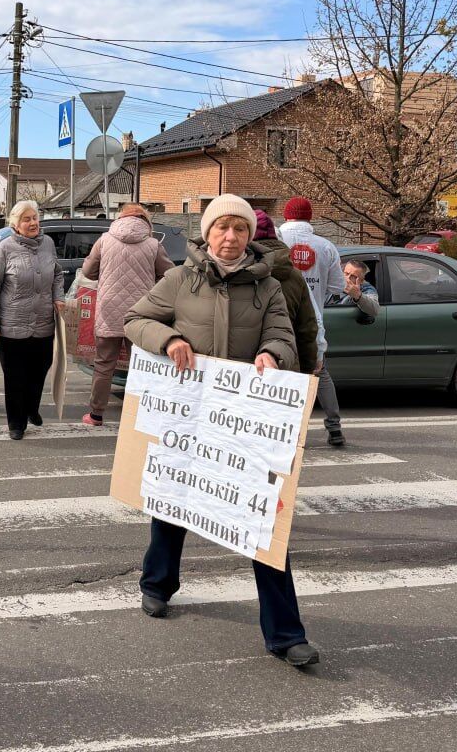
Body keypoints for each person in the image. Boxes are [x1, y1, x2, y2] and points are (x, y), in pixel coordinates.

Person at [125, 193, 319, 667]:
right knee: (174, 501)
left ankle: (285, 634)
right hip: (189, 414)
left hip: (245, 418)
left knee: (264, 521)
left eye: (239, 229)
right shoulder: (179, 279)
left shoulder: (269, 286)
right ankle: (158, 583)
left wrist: (273, 355)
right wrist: (169, 339)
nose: (230, 238)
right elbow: (135, 320)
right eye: (221, 229)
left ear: (250, 236)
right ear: (207, 233)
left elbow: (284, 336)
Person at [79, 203, 172, 426]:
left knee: (104, 364)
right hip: (141, 314)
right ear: (145, 221)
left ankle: (96, 414)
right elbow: (169, 275)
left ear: (120, 219)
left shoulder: (104, 240)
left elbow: (87, 272)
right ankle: (142, 414)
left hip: (108, 310)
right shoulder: (153, 245)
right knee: (141, 365)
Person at [0, 200, 64, 440]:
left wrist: (58, 297)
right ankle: (16, 423)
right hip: (11, 325)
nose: (32, 223)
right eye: (26, 219)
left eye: (35, 218)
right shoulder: (4, 248)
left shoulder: (48, 244)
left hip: (43, 323)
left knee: (40, 370)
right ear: (15, 225)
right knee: (15, 376)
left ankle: (31, 407)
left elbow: (58, 273)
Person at [277, 196, 348, 447]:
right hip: (312, 320)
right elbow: (338, 287)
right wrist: (314, 288)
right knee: (320, 373)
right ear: (310, 218)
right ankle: (334, 428)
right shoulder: (325, 246)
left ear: (286, 216)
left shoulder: (276, 241)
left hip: (279, 318)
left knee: (284, 377)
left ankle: (291, 433)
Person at [251, 209, 320, 374]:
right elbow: (307, 329)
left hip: (240, 370)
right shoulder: (294, 276)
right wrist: (308, 366)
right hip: (285, 368)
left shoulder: (238, 272)